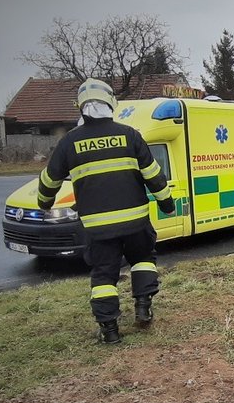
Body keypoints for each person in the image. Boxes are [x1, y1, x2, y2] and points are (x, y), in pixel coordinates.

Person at [37, 79, 174, 344]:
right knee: (143, 259)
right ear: (111, 101)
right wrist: (166, 203)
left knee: (103, 276)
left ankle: (110, 331)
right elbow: (154, 175)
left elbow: (49, 180)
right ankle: (143, 307)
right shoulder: (130, 134)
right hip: (135, 220)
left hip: (98, 227)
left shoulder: (69, 142)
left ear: (81, 106)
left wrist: (44, 203)